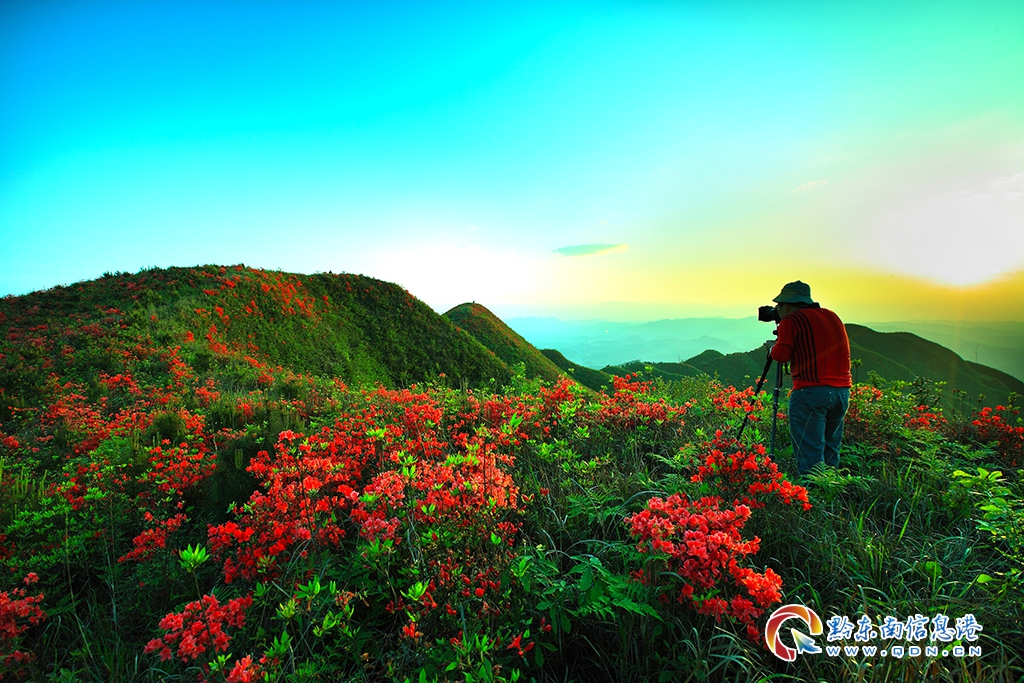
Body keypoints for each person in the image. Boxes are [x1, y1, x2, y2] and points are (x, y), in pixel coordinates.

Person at [769, 281, 852, 476]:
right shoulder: (833, 316)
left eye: (779, 306)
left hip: (810, 392)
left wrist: (772, 347)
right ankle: (829, 495)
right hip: (841, 392)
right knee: (831, 450)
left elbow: (781, 355)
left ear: (787, 305)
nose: (777, 310)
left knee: (810, 454)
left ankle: (812, 499)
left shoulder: (792, 320)